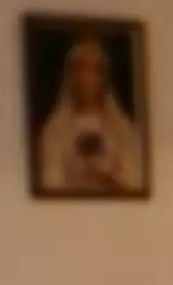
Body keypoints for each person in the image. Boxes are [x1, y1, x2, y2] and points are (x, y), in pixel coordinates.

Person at [35, 35, 147, 196]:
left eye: (94, 71)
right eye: (80, 70)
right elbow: (50, 183)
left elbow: (134, 182)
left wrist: (107, 177)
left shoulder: (122, 128)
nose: (86, 79)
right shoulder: (55, 129)